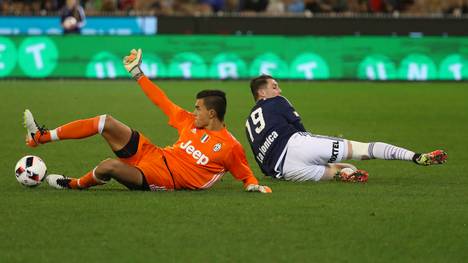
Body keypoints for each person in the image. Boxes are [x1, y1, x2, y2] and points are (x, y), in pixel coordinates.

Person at [23, 49, 271, 194]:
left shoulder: (229, 146)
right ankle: (41, 137)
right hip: (152, 153)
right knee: (105, 121)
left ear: (212, 114)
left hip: (161, 177)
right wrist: (136, 73)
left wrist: (255, 186)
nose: (193, 112)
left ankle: (73, 184)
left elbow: (246, 176)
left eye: (198, 109)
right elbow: (161, 100)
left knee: (109, 166)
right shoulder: (190, 122)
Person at [245, 74, 448, 183]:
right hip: (297, 145)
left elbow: (258, 156)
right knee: (363, 150)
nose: (279, 90)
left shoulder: (247, 123)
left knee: (340, 170)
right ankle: (417, 157)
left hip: (284, 170)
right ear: (262, 92)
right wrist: (313, 143)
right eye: (274, 86)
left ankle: (346, 175)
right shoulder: (277, 101)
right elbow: (299, 127)